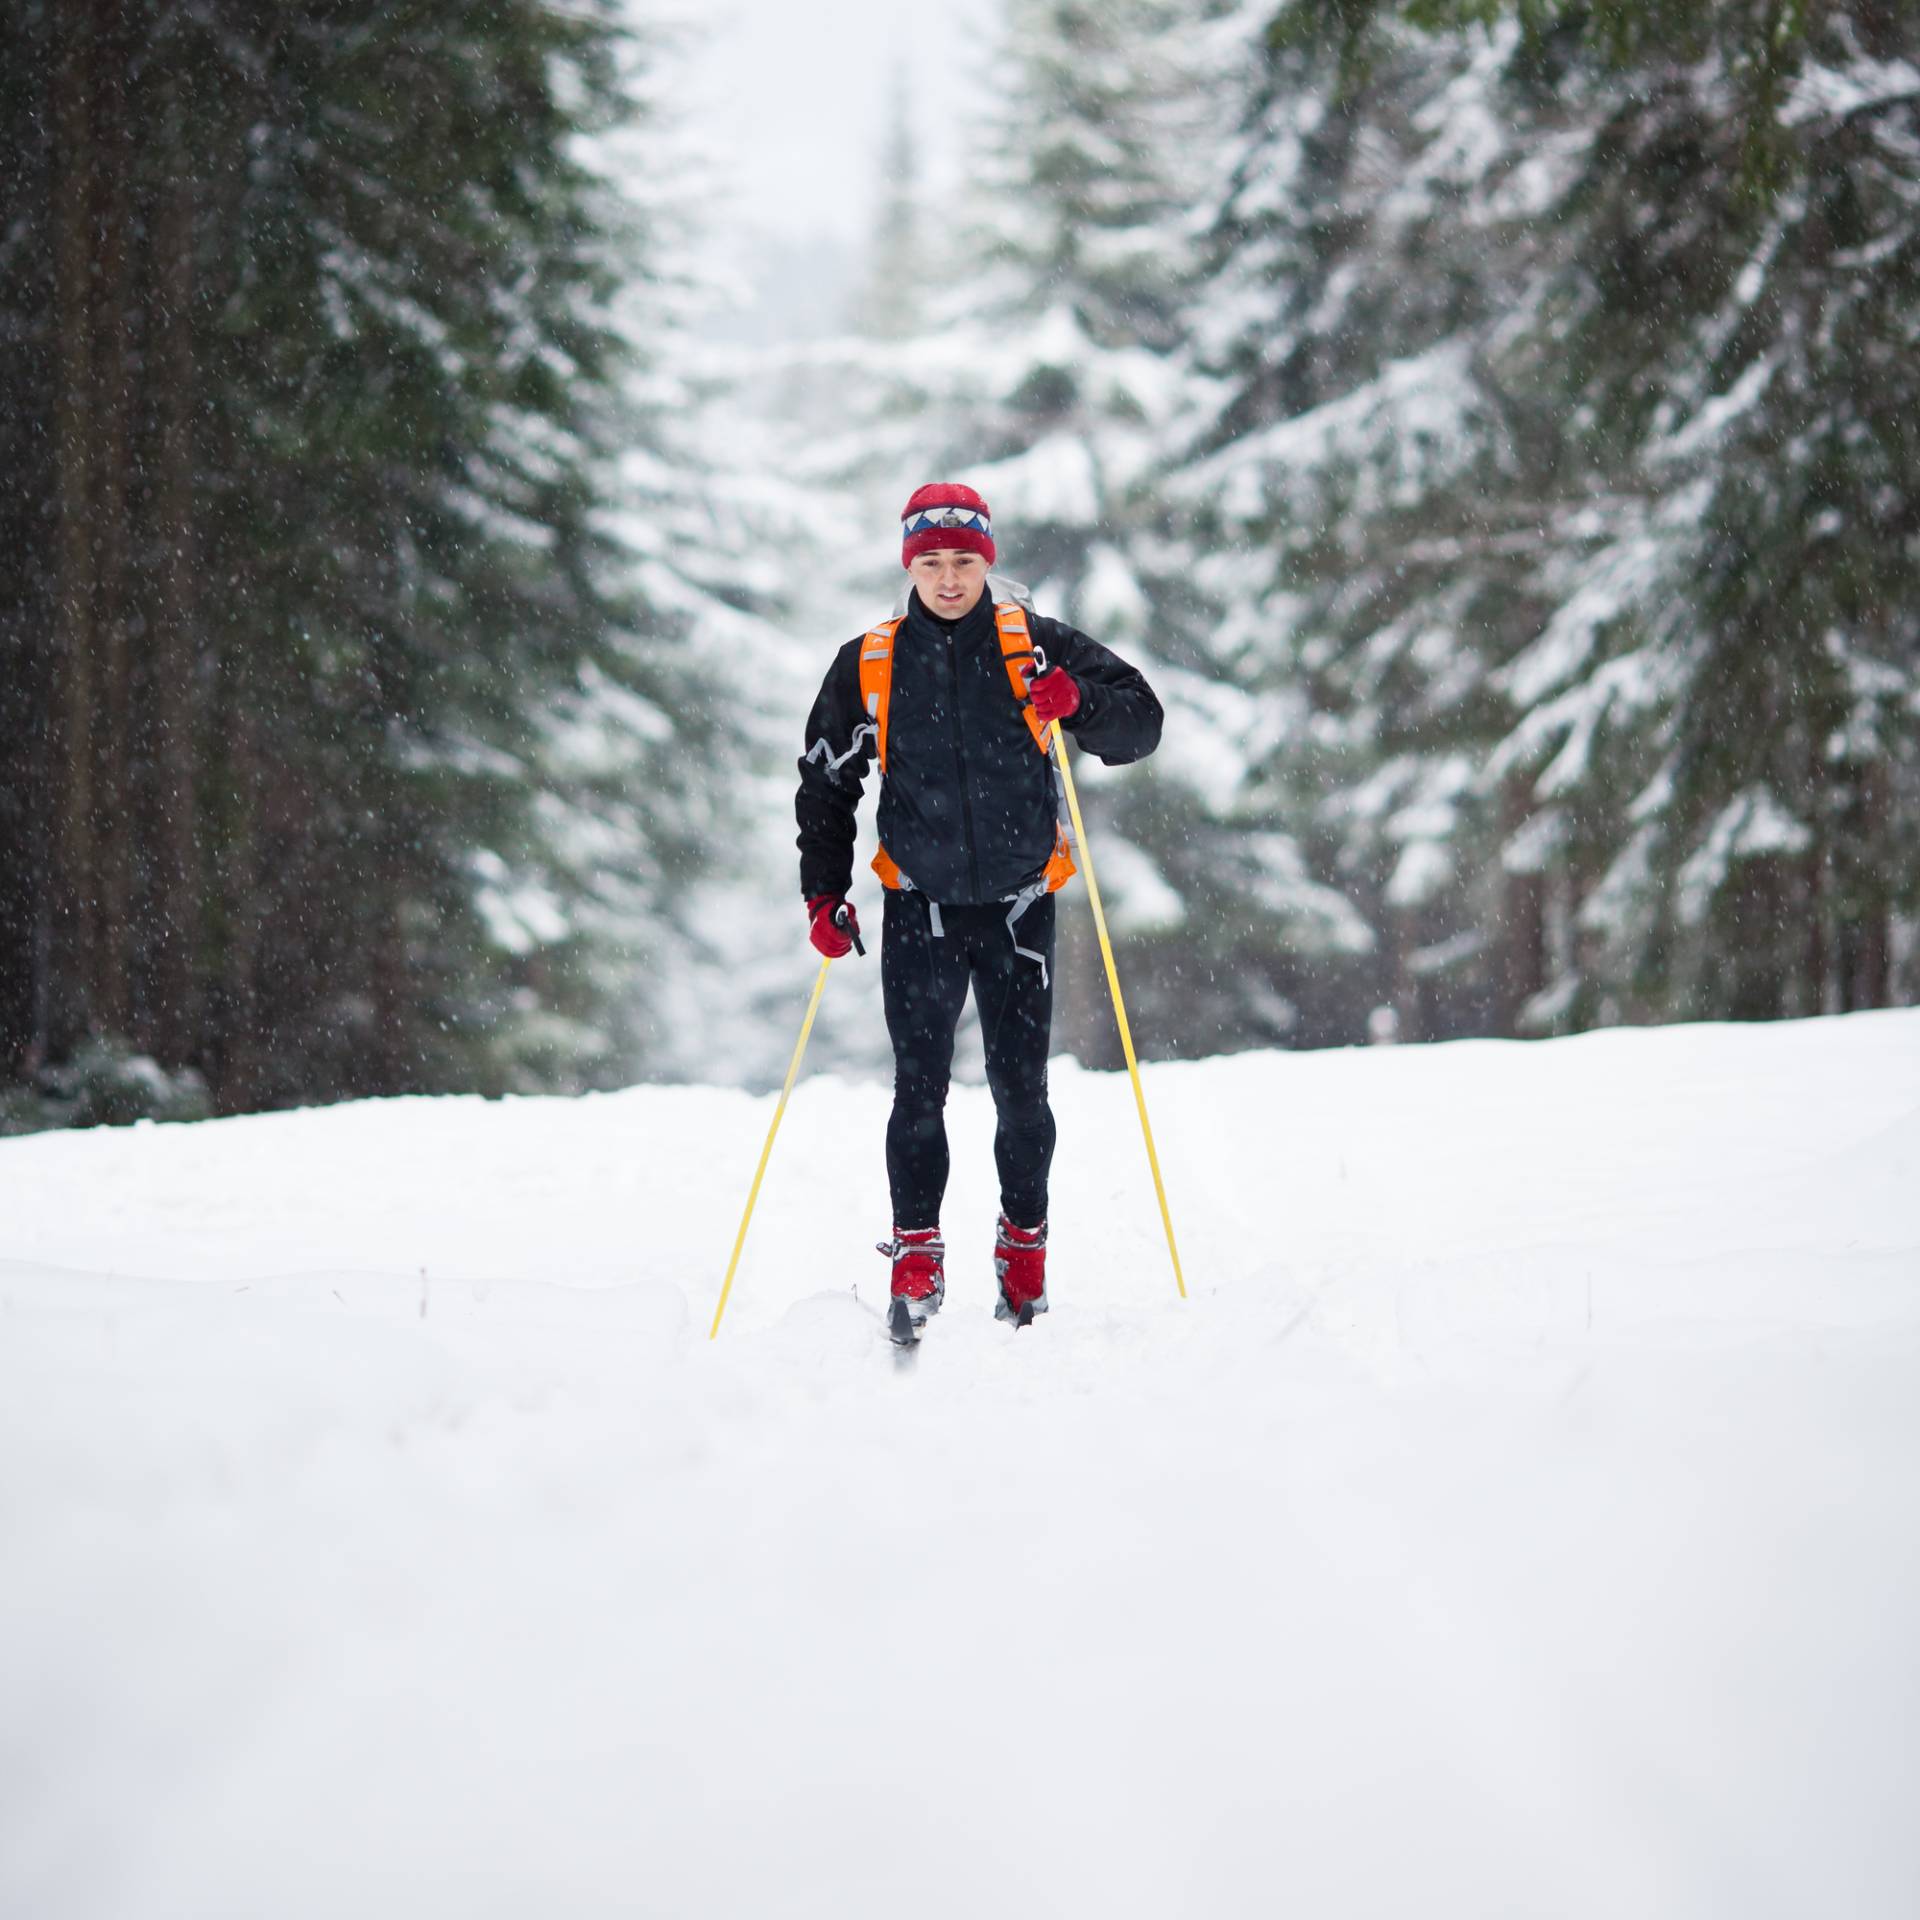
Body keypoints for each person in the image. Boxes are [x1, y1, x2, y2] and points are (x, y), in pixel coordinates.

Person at [795, 481, 1163, 1338]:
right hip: (917, 906)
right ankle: (917, 1257)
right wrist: (823, 892)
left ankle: (1023, 1250)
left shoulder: (1033, 645)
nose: (950, 578)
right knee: (917, 1094)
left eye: (964, 560)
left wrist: (1080, 704)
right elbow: (825, 784)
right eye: (932, 562)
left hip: (1018, 906)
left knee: (1020, 1093)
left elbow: (1141, 723)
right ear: (909, 566)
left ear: (987, 562)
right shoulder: (871, 662)